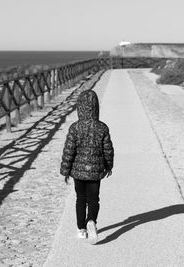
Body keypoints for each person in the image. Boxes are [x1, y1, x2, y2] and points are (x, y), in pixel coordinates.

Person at [60, 89, 114, 244]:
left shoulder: (74, 128)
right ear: (96, 107)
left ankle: (81, 229)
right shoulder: (102, 128)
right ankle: (91, 221)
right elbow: (108, 149)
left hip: (78, 172)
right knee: (94, 199)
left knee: (80, 199)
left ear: (79, 108)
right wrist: (108, 166)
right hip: (96, 171)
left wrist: (65, 171)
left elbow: (69, 150)